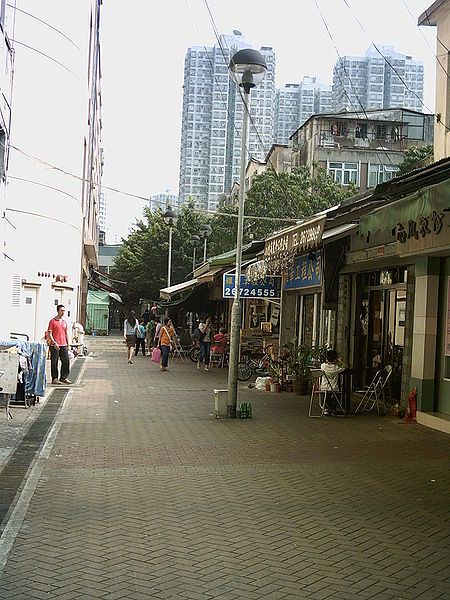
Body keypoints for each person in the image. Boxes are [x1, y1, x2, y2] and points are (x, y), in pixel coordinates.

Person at [47, 304, 71, 385]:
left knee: (66, 361)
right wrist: (54, 343)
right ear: (58, 311)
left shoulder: (64, 322)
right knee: (54, 362)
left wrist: (68, 343)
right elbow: (49, 333)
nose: (63, 312)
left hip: (63, 344)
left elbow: (66, 333)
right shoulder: (52, 321)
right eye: (61, 311)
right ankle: (55, 378)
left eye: (64, 311)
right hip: (55, 345)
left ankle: (63, 377)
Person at [320, 349, 346, 413]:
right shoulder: (336, 367)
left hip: (323, 387)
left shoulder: (323, 366)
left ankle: (326, 408)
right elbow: (345, 366)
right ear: (335, 359)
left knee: (326, 394)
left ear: (326, 358)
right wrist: (339, 361)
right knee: (337, 394)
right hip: (334, 388)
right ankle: (333, 408)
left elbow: (325, 364)